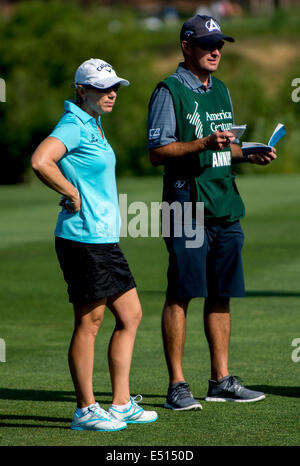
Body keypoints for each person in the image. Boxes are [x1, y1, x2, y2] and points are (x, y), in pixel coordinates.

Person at [147, 15, 277, 410]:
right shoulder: (168, 90)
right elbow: (157, 152)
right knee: (183, 292)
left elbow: (223, 147)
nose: (216, 50)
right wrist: (203, 143)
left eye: (219, 44)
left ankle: (221, 379)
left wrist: (247, 153)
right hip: (184, 205)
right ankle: (177, 385)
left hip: (224, 202)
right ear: (186, 46)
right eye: (207, 44)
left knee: (222, 295)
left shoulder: (220, 89)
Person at [31, 58, 158, 431]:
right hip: (82, 239)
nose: (112, 94)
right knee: (90, 322)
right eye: (103, 89)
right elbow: (41, 161)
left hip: (104, 240)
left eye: (114, 87)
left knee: (131, 314)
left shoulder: (93, 125)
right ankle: (86, 409)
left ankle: (120, 403)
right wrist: (70, 191)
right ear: (82, 91)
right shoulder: (73, 125)